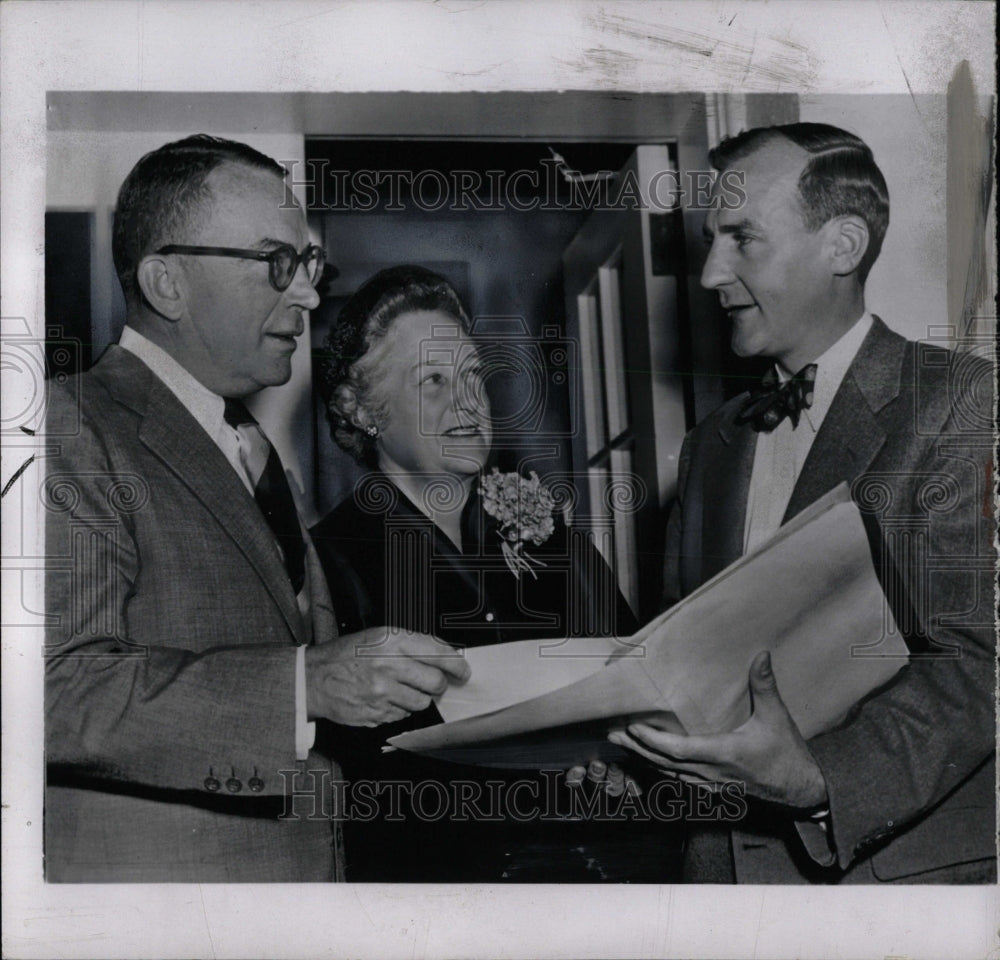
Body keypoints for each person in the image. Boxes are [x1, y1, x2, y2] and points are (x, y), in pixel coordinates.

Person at [43, 136, 468, 882]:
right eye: (277, 262)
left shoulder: (252, 453)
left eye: (308, 267)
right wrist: (304, 686)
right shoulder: (68, 427)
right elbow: (54, 690)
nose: (306, 294)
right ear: (167, 282)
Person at [610, 122, 995, 884]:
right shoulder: (712, 444)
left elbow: (981, 663)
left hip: (893, 884)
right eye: (710, 242)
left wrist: (820, 781)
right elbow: (682, 663)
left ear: (842, 246)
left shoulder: (960, 403)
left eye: (742, 239)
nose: (712, 274)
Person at [311, 265, 680, 881]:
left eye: (474, 375)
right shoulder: (330, 557)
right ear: (364, 410)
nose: (468, 402)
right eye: (432, 380)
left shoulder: (550, 530)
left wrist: (625, 759)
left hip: (596, 877)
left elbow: (643, 680)